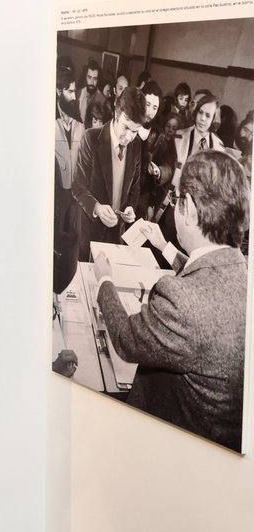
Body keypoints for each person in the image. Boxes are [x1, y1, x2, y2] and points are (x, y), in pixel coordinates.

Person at [93, 150, 248, 451]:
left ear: (187, 208)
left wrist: (104, 280)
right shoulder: (241, 270)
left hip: (167, 443)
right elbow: (211, 278)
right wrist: (165, 247)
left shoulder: (181, 300)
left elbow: (126, 338)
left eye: (177, 200)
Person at [71, 86, 146, 261]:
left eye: (135, 131)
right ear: (116, 114)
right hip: (90, 231)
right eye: (126, 127)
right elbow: (77, 187)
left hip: (117, 235)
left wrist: (130, 208)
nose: (128, 137)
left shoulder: (136, 146)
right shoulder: (91, 138)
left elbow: (135, 188)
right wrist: (96, 207)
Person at [54, 66, 85, 233]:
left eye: (75, 92)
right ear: (59, 92)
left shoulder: (79, 122)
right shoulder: (48, 119)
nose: (74, 97)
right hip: (56, 193)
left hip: (75, 192)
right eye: (70, 92)